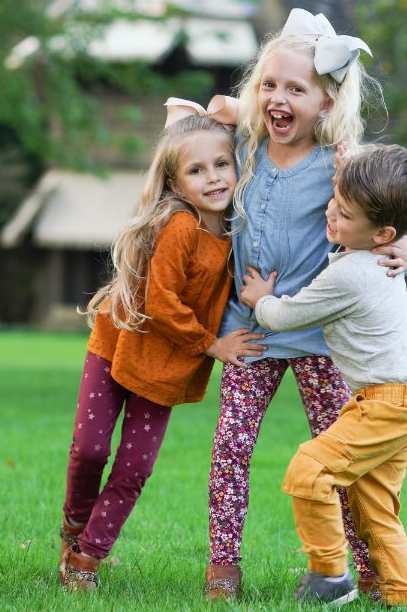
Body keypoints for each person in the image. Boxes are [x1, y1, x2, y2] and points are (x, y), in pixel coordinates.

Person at [202, 8, 407, 600]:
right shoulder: (241, 150)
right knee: (230, 452)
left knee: (341, 466)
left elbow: (388, 211)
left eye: (295, 88)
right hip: (250, 332)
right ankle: (223, 565)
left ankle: (364, 569)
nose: (277, 97)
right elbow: (201, 141)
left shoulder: (340, 165)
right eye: (268, 85)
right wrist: (212, 111)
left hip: (321, 341)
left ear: (325, 102)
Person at [57, 109, 267, 591]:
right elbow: (160, 302)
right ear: (174, 182)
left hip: (166, 369)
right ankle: (73, 527)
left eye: (221, 164)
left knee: (134, 468)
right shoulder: (179, 226)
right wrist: (211, 344)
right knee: (89, 451)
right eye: (197, 170)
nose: (213, 177)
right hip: (118, 344)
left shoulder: (239, 231)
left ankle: (87, 558)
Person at [239, 144, 407, 609]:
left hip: (386, 403)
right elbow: (363, 199)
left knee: (310, 470)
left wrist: (260, 299)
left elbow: (284, 318)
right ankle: (402, 597)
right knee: (374, 507)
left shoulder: (351, 274)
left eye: (344, 214)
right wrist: (347, 168)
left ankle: (330, 574)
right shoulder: (386, 250)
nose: (331, 214)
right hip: (406, 401)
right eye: (334, 199)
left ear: (383, 232)